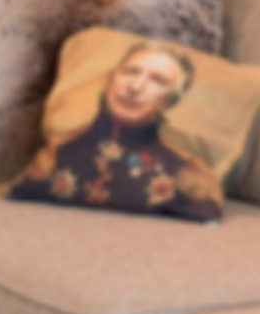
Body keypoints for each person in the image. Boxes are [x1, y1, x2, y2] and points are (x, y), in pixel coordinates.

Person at [12, 40, 222, 221]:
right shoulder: (57, 151)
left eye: (157, 81)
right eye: (130, 72)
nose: (135, 87)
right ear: (110, 80)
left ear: (171, 101)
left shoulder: (188, 172)